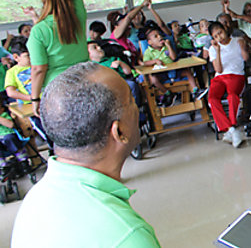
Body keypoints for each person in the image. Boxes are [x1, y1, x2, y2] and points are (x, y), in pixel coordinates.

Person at [11, 62, 161, 247]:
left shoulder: (36, 198)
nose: (137, 108)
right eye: (131, 101)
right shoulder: (128, 236)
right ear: (119, 131)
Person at [27, 0, 88, 116]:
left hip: (58, 88)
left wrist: (35, 98)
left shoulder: (39, 30)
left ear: (44, 2)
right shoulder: (78, 14)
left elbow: (38, 69)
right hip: (85, 78)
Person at [207, 21, 249, 148]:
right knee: (212, 99)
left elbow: (246, 58)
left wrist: (243, 47)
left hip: (236, 75)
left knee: (232, 96)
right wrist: (218, 50)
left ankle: (231, 127)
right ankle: (231, 129)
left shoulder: (238, 40)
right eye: (215, 36)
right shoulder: (212, 49)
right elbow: (218, 69)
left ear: (225, 29)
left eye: (220, 32)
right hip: (219, 77)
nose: (219, 37)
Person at [143, 27, 202, 106]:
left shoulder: (166, 47)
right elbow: (146, 63)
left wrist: (169, 45)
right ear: (150, 42)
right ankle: (167, 93)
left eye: (160, 35)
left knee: (188, 72)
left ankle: (195, 91)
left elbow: (173, 57)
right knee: (153, 79)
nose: (160, 37)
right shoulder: (148, 51)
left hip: (174, 71)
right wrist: (154, 61)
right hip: (161, 74)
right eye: (155, 36)